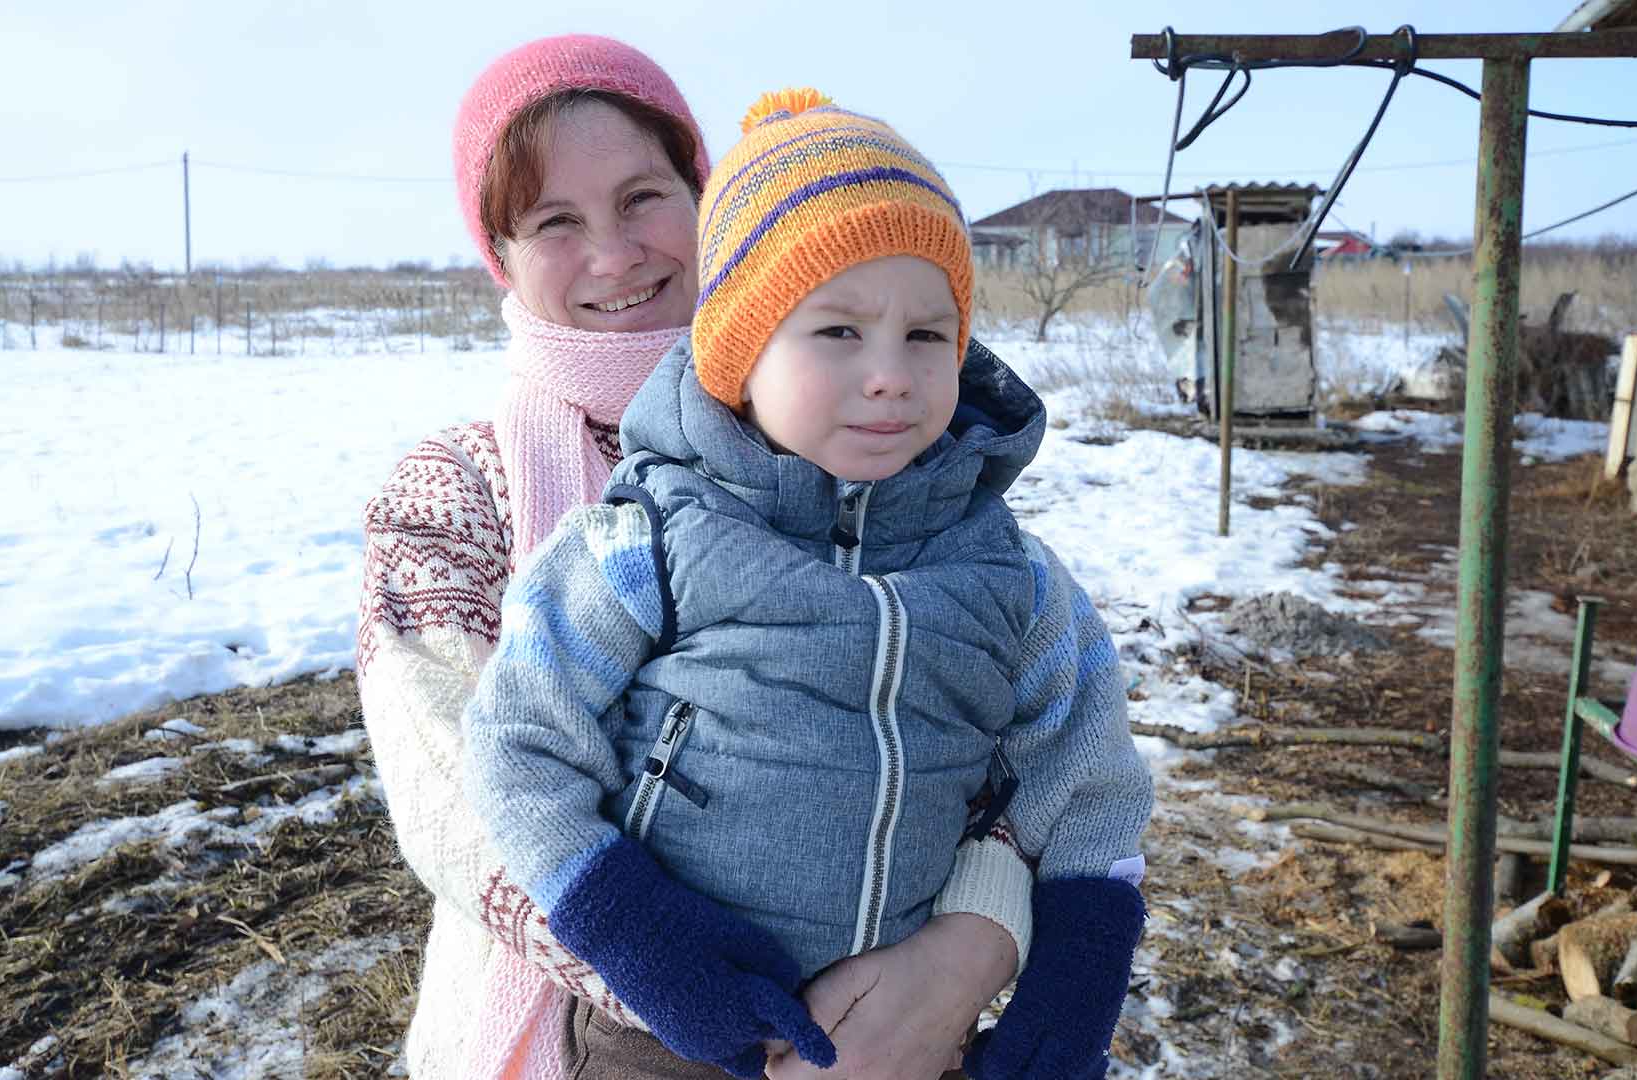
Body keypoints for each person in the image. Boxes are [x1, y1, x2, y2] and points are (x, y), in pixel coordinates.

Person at [356, 37, 1036, 1080]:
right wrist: (699, 989)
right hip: (583, 1036)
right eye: (555, 222)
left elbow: (988, 731)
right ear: (502, 253)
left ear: (706, 196)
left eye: (642, 197)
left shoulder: (877, 441)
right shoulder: (456, 489)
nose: (615, 253)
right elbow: (456, 790)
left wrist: (964, 953)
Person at [463, 89, 1154, 1080]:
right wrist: (638, 934)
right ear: (742, 355)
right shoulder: (649, 537)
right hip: (664, 1032)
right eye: (836, 332)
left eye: (927, 335)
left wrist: (1076, 971)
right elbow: (519, 738)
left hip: (914, 1038)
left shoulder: (1012, 574)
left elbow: (1084, 776)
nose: (890, 374)